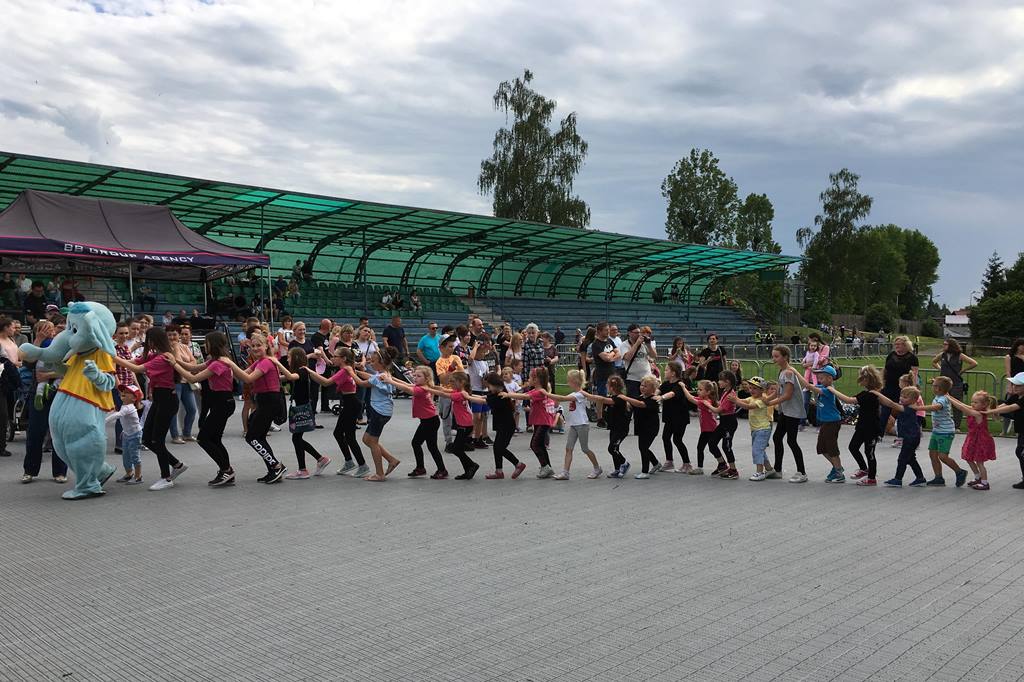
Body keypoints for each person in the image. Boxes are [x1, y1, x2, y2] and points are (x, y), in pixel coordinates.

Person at [112, 327, 190, 491]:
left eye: (148, 339)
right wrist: (114, 355)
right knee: (147, 438)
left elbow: (137, 369)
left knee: (157, 440)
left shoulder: (163, 357)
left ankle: (166, 478)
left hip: (167, 399)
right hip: (159, 399)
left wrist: (112, 356)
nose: (146, 342)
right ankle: (177, 465)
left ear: (154, 340)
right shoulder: (154, 355)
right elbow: (134, 362)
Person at [169, 331, 238, 486]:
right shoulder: (214, 360)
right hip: (221, 402)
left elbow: (192, 377)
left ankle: (226, 470)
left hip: (223, 402)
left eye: (206, 343)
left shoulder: (218, 363)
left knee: (204, 438)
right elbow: (192, 367)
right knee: (215, 439)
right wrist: (176, 358)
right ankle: (226, 470)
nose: (204, 345)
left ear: (213, 344)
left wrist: (174, 364)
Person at [229, 332, 290, 484]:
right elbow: (242, 374)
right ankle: (273, 469)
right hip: (264, 401)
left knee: (251, 437)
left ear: (267, 346)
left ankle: (276, 466)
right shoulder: (260, 362)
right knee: (259, 437)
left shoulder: (265, 362)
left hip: (269, 401)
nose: (255, 348)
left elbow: (248, 378)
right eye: (253, 346)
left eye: (259, 345)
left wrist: (230, 364)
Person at [307, 347, 366, 477]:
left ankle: (362, 465)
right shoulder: (347, 369)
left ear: (343, 359)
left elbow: (326, 382)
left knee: (349, 437)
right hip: (350, 403)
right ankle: (349, 462)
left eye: (335, 356)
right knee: (338, 433)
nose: (333, 358)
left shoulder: (345, 370)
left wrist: (310, 371)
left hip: (351, 403)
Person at [382, 365, 446, 478]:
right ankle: (421, 468)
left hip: (430, 421)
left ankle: (440, 470)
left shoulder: (421, 389)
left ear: (426, 378)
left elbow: (407, 389)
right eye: (414, 375)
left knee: (428, 446)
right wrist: (391, 378)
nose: (415, 378)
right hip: (428, 421)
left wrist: (390, 381)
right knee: (419, 444)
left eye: (419, 376)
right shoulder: (422, 386)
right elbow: (406, 384)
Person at [351, 348, 401, 482]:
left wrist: (350, 372)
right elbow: (370, 377)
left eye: (373, 361)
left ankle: (380, 473)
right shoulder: (383, 374)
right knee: (367, 439)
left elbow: (362, 383)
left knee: (372, 442)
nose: (371, 363)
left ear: (382, 363)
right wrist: (356, 372)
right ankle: (391, 460)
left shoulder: (379, 376)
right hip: (382, 411)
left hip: (380, 412)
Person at [545, 369, 602, 480]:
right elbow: (560, 400)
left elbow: (563, 398)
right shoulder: (574, 394)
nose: (567, 383)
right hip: (574, 425)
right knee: (568, 448)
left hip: (582, 424)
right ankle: (565, 472)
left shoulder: (580, 394)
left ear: (574, 381)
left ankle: (597, 468)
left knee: (585, 449)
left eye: (569, 380)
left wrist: (547, 394)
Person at [794, 365, 845, 482]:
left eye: (821, 378)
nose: (819, 380)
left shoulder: (829, 390)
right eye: (819, 378)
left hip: (832, 422)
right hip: (826, 423)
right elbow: (808, 385)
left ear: (830, 378)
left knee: (832, 448)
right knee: (821, 448)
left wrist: (795, 372)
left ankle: (839, 473)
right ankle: (837, 467)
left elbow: (808, 386)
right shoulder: (823, 387)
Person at [503, 367, 556, 478]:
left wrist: (508, 395)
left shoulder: (539, 392)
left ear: (536, 379)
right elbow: (524, 393)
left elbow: (524, 396)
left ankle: (545, 466)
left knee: (534, 444)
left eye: (530, 378)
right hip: (539, 421)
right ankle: (547, 467)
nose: (528, 379)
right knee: (540, 445)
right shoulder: (535, 390)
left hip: (543, 421)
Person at [726, 377, 780, 481]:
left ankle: (759, 472)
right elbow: (743, 401)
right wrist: (734, 399)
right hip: (756, 429)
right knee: (760, 450)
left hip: (763, 429)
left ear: (762, 390)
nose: (751, 390)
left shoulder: (762, 400)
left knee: (757, 450)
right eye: (750, 388)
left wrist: (736, 400)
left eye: (755, 388)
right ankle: (769, 470)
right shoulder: (752, 398)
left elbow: (749, 406)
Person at [770, 345, 807, 483]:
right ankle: (777, 470)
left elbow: (788, 394)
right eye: (773, 356)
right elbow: (779, 390)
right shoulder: (782, 371)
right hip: (786, 411)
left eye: (776, 356)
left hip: (793, 411)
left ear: (785, 357)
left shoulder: (789, 373)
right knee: (777, 437)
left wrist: (770, 403)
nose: (774, 359)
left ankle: (802, 472)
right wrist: (767, 399)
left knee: (791, 441)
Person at [877, 386, 928, 487]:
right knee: (911, 458)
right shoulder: (908, 407)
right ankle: (920, 478)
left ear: (914, 400)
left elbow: (891, 404)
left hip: (911, 437)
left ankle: (898, 479)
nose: (901, 398)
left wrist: (878, 394)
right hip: (911, 437)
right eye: (901, 396)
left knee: (902, 459)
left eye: (905, 397)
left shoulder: (908, 408)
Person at [922, 376, 968, 487]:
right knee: (932, 454)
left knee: (942, 456)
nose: (932, 387)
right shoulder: (940, 395)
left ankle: (960, 472)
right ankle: (938, 477)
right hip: (937, 431)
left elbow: (937, 407)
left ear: (938, 388)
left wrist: (919, 408)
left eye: (934, 386)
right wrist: (936, 381)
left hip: (946, 432)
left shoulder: (943, 399)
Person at [478, 372, 525, 480]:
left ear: (494, 384)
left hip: (506, 425)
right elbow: (483, 397)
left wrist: (467, 397)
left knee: (500, 448)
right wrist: (468, 395)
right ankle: (499, 471)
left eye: (489, 386)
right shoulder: (496, 393)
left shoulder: (500, 395)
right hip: (502, 424)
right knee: (497, 447)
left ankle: (518, 464)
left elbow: (483, 401)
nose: (488, 388)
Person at [948, 391, 997, 490]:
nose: (972, 404)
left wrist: (948, 398)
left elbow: (961, 407)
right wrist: (949, 396)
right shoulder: (974, 409)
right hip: (972, 438)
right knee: (968, 458)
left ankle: (984, 482)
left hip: (980, 440)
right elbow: (962, 404)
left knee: (979, 462)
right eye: (972, 402)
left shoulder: (978, 413)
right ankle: (977, 477)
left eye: (975, 402)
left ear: (984, 405)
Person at [985, 372, 1024, 489]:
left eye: (1018, 385)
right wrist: (992, 410)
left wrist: (991, 411)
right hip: (1021, 430)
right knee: (1020, 452)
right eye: (1014, 384)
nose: (1015, 387)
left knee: (1020, 452)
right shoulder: (1015, 396)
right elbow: (1005, 404)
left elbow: (1011, 407)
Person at [931, 338, 977, 431]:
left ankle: (957, 426)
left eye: (945, 344)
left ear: (951, 346)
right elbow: (934, 362)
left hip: (956, 383)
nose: (943, 346)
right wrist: (940, 369)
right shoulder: (942, 355)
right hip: (943, 383)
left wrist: (963, 370)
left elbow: (974, 363)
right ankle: (941, 423)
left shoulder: (960, 355)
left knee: (957, 404)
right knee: (940, 402)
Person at [654, 362, 691, 473]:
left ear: (673, 373)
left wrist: (661, 397)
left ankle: (687, 464)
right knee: (665, 437)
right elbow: (658, 390)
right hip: (669, 416)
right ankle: (669, 461)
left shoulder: (680, 384)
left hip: (680, 417)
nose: (664, 372)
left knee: (677, 440)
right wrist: (653, 395)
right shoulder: (666, 383)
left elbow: (672, 394)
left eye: (666, 370)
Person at [879, 336, 919, 437]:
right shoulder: (891, 355)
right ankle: (879, 433)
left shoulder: (912, 358)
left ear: (905, 345)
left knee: (903, 411)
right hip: (889, 386)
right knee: (884, 410)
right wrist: (881, 383)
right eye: (895, 344)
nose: (896, 346)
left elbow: (914, 374)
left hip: (903, 388)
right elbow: (885, 369)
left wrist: (913, 388)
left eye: (899, 344)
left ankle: (905, 433)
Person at [106, 384, 144, 485]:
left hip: (135, 435)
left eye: (127, 393)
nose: (123, 393)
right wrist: (124, 431)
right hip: (127, 434)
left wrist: (103, 421)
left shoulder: (129, 407)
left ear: (134, 398)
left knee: (134, 456)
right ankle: (129, 473)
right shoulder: (124, 406)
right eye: (123, 392)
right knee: (126, 456)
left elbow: (118, 415)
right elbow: (125, 421)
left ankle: (138, 476)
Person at [713, 370, 740, 479]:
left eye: (720, 380)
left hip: (729, 422)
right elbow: (720, 404)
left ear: (727, 382)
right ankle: (722, 464)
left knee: (726, 446)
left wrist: (706, 404)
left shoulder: (731, 395)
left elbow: (719, 409)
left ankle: (733, 470)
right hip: (723, 422)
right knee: (712, 442)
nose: (718, 382)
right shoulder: (725, 392)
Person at [590, 322, 618, 427]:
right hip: (602, 373)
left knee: (614, 394)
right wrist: (612, 354)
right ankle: (599, 418)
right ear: (599, 331)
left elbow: (618, 353)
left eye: (608, 330)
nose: (608, 332)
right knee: (601, 396)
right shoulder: (596, 344)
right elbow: (605, 358)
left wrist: (611, 356)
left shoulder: (610, 341)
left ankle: (611, 414)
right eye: (606, 330)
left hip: (612, 371)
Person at [622, 323, 656, 398]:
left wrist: (649, 345)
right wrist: (637, 344)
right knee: (634, 400)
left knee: (647, 399)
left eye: (639, 332)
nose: (638, 334)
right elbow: (627, 357)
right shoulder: (624, 345)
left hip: (647, 378)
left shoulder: (644, 343)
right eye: (636, 333)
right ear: (629, 333)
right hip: (633, 379)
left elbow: (654, 355)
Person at [1001, 340, 1024, 436]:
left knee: (1019, 408)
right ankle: (1004, 430)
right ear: (1017, 346)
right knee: (1008, 404)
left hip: (1022, 383)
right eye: (1022, 346)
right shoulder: (1009, 357)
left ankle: (1018, 429)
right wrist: (1009, 385)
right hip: (1014, 382)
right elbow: (1008, 372)